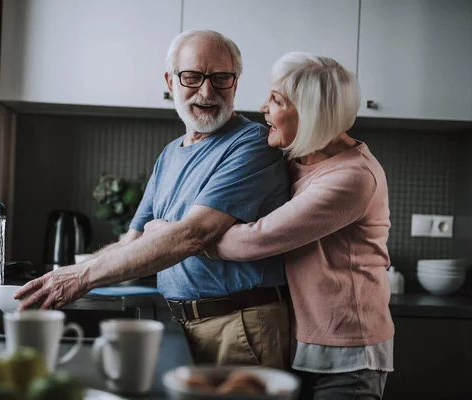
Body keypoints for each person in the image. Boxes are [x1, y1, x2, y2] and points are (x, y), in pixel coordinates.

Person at [15, 29, 293, 368]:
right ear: (170, 81)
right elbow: (132, 241)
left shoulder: (252, 144)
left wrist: (80, 278)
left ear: (235, 82)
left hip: (239, 325)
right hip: (183, 323)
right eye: (192, 77)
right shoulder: (169, 155)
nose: (207, 91)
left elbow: (194, 234)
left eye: (221, 78)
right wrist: (65, 275)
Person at [146, 52, 394, 400]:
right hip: (302, 341)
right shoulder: (299, 159)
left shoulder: (351, 177)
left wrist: (180, 234)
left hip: (345, 352)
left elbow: (253, 241)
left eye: (276, 100)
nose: (263, 107)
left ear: (310, 114)